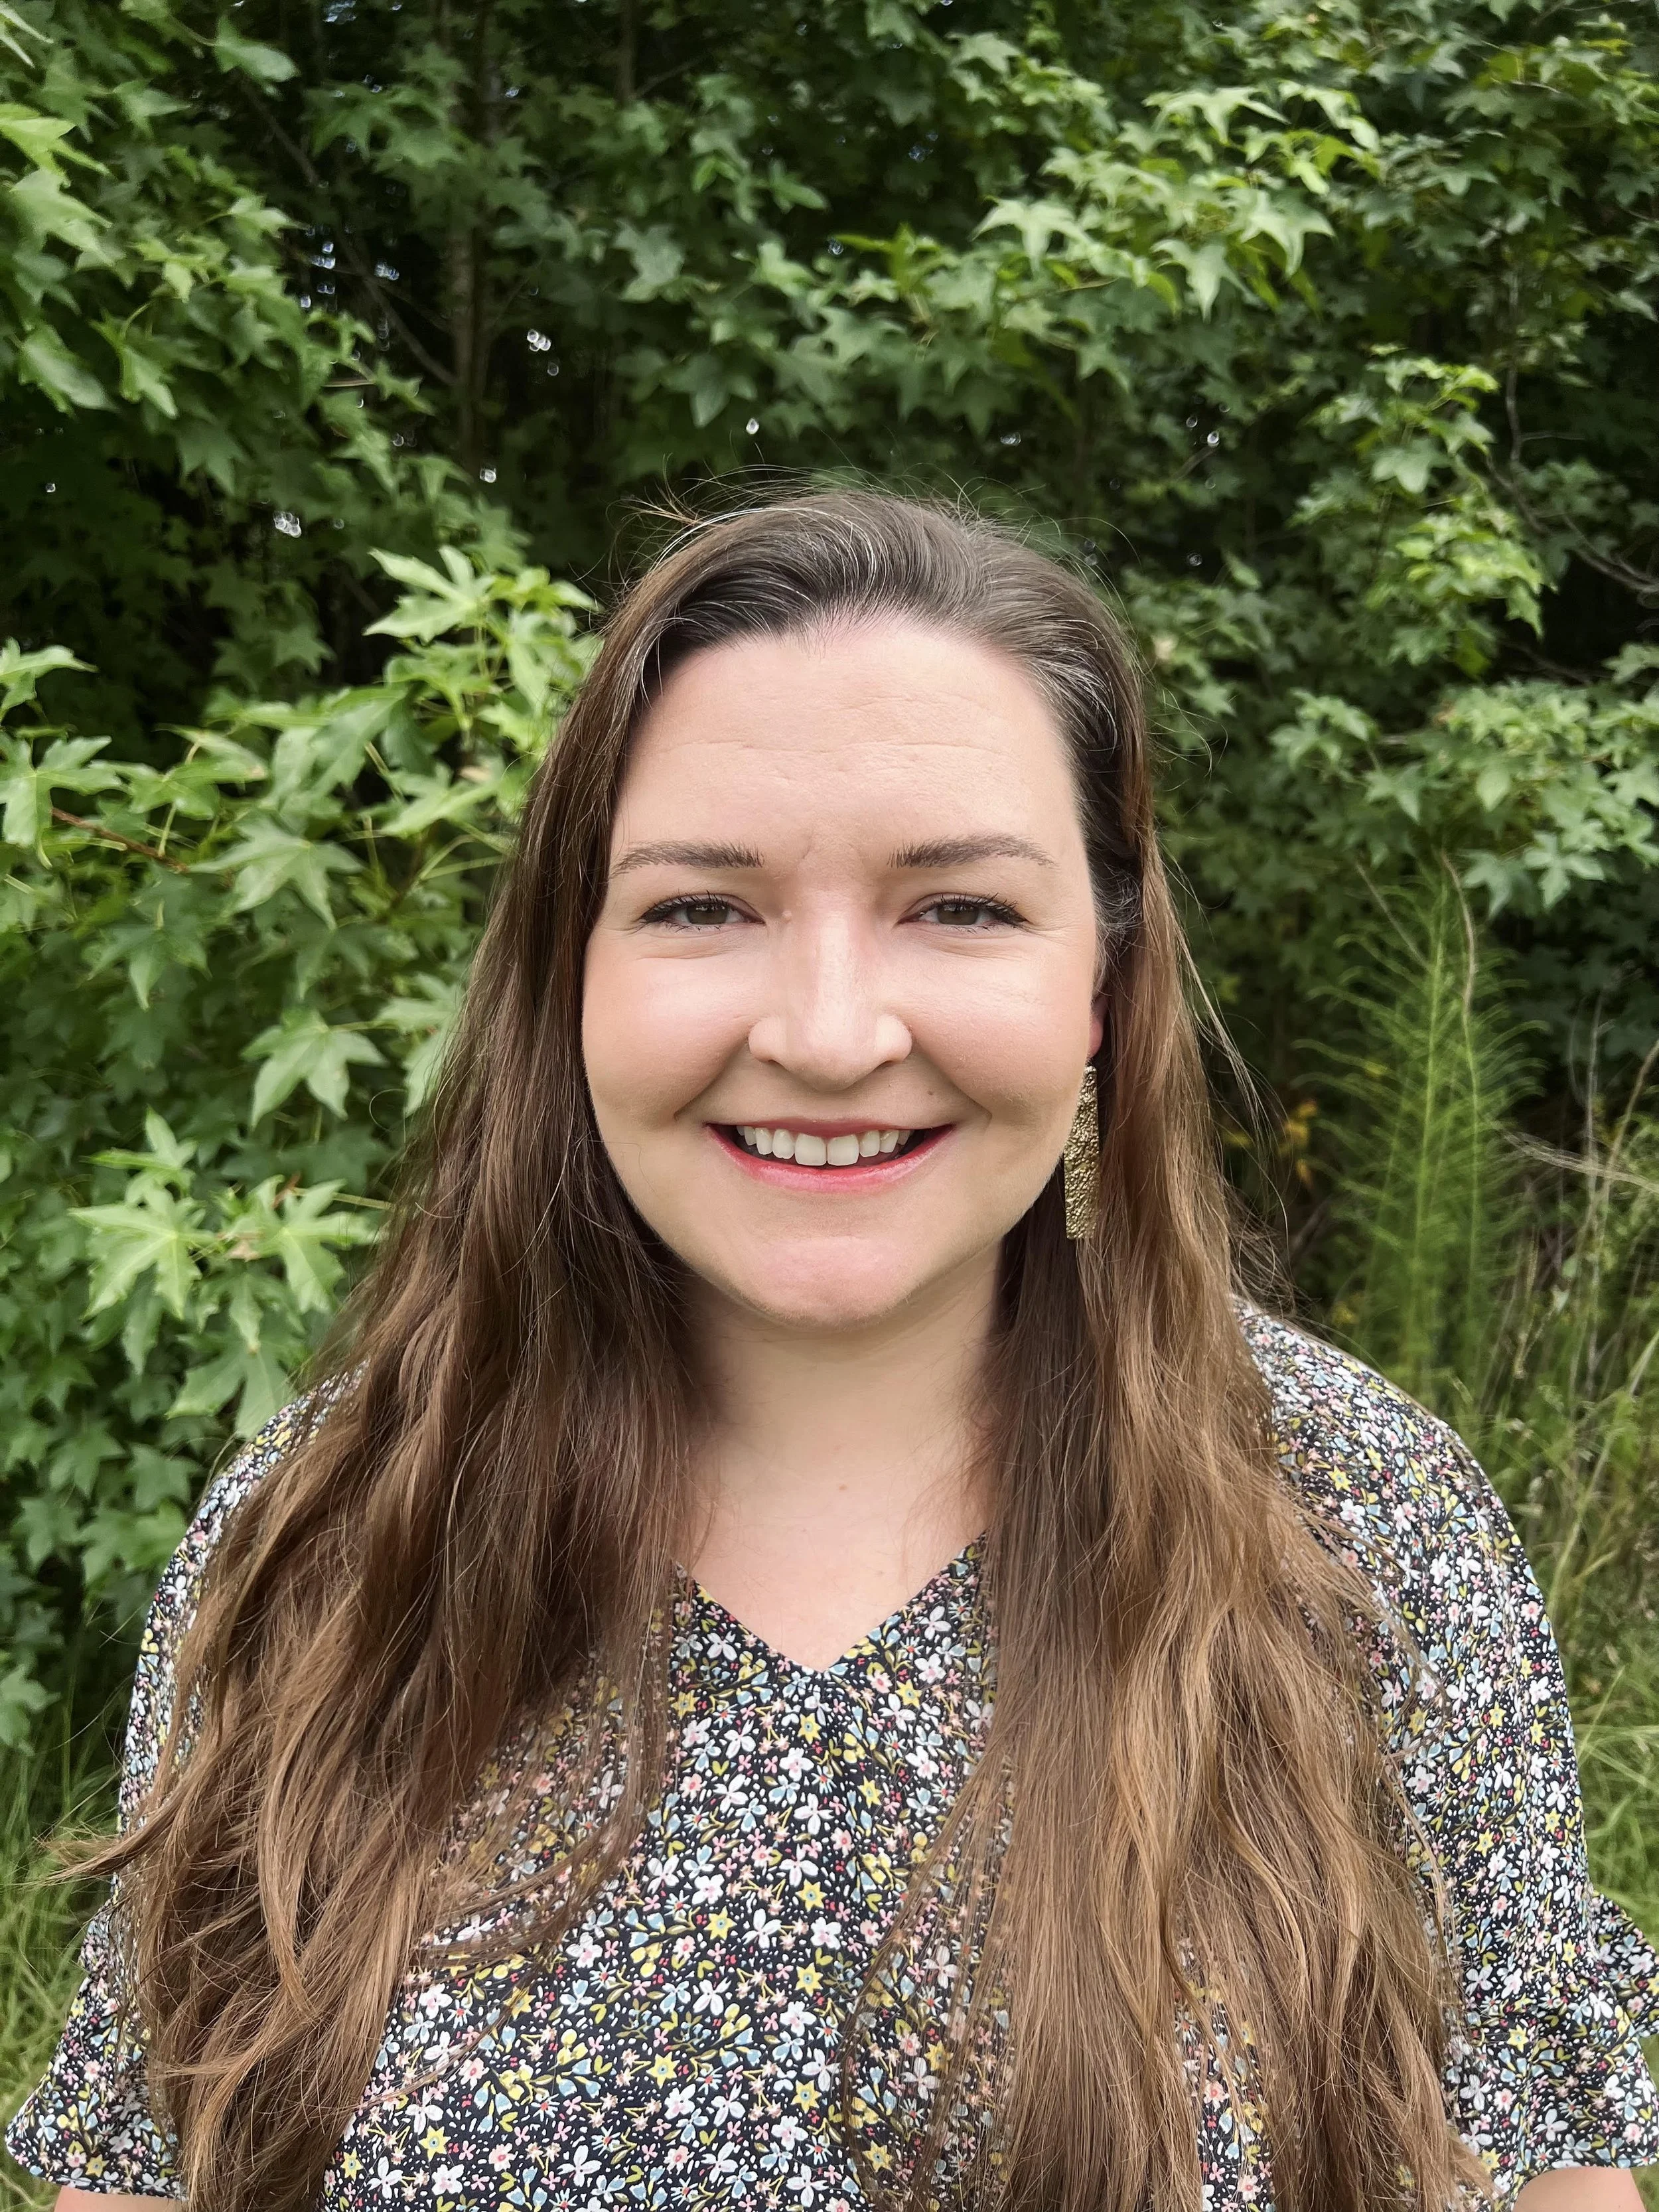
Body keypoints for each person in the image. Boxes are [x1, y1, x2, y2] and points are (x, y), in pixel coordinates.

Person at [8, 493, 1656, 2212]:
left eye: (955, 909)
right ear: (569, 969)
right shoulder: (332, 1530)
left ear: (1103, 973)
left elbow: (1547, 2158)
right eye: (701, 907)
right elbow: (149, 2167)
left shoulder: (1348, 1511)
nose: (823, 1031)